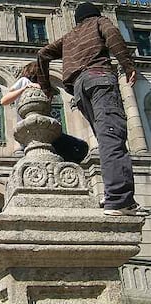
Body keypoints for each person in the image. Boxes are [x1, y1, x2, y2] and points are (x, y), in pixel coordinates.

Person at [37, 2, 151, 216]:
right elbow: (114, 37)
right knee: (113, 137)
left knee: (105, 138)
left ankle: (111, 195)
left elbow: (42, 54)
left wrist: (46, 87)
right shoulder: (100, 22)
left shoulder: (70, 36)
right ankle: (119, 200)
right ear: (95, 14)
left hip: (79, 90)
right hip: (100, 80)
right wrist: (128, 65)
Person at [1, 61, 89, 164]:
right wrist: (24, 88)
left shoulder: (42, 87)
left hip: (46, 130)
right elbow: (4, 100)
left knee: (80, 148)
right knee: (81, 147)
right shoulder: (24, 81)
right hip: (32, 130)